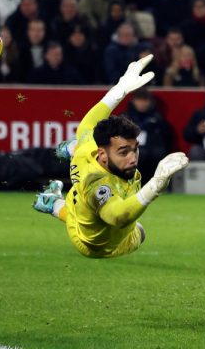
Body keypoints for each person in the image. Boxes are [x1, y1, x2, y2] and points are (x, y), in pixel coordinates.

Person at [33, 55, 189, 258]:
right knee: (139, 231)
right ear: (102, 154)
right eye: (123, 152)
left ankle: (57, 185)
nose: (133, 158)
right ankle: (55, 203)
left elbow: (89, 123)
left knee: (81, 148)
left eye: (135, 148)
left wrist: (121, 89)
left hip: (82, 191)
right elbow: (118, 216)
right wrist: (154, 186)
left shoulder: (90, 146)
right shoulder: (97, 185)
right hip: (99, 245)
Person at [123, 89, 173, 183]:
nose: (142, 103)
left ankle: (161, 184)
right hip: (130, 149)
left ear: (150, 102)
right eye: (139, 100)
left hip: (153, 148)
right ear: (133, 101)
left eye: (145, 100)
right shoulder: (125, 117)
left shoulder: (157, 118)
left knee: (159, 153)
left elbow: (167, 137)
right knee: (140, 154)